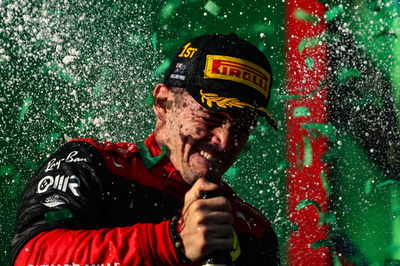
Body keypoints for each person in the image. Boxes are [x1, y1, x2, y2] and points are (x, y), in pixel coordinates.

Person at [11, 33, 280, 265]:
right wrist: (171, 242)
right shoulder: (91, 163)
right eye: (210, 119)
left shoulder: (252, 231)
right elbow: (31, 256)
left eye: (243, 128)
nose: (224, 141)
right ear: (163, 103)